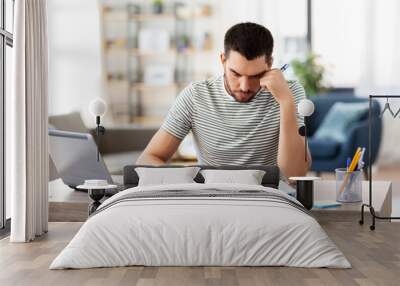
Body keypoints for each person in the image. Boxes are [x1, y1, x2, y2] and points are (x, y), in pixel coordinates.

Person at [137, 22, 311, 178]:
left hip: (270, 199)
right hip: (211, 197)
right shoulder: (195, 95)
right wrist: (188, 183)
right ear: (223, 60)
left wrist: (286, 101)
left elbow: (293, 175)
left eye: (255, 76)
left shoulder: (289, 92)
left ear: (270, 64)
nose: (244, 86)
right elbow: (148, 158)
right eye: (236, 73)